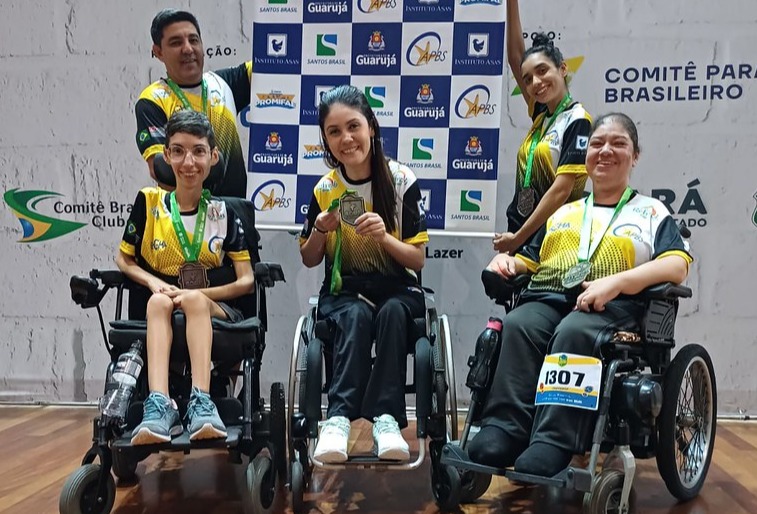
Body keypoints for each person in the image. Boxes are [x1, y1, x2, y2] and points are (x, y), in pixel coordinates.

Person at [468, 113, 692, 477]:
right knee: (519, 323)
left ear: (635, 155)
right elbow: (531, 258)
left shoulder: (652, 212)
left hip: (614, 306)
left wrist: (616, 282)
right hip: (548, 296)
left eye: (618, 143)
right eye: (597, 143)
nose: (605, 150)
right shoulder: (565, 212)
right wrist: (509, 264)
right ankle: (505, 429)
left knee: (575, 331)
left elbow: (676, 266)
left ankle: (553, 440)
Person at [299, 84, 429, 463]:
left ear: (371, 126)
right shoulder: (326, 189)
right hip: (345, 291)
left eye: (353, 126)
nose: (346, 139)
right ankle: (337, 419)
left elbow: (417, 259)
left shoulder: (401, 180)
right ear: (325, 139)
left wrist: (385, 237)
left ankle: (387, 419)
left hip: (396, 289)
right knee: (354, 315)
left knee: (390, 314)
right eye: (334, 131)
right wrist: (321, 230)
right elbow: (309, 258)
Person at [117, 110, 255, 445]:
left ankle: (201, 402)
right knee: (158, 300)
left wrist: (206, 296)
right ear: (166, 155)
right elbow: (124, 259)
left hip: (217, 308)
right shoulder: (149, 203)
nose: (188, 161)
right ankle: (159, 404)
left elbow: (246, 281)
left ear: (213, 156)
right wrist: (153, 282)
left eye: (198, 150)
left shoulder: (224, 213)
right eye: (177, 150)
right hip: (162, 300)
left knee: (193, 298)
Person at [493, 0, 592, 254]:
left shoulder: (578, 119)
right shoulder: (541, 113)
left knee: (495, 278)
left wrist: (517, 239)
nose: (536, 83)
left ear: (562, 69)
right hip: (522, 232)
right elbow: (516, 57)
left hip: (553, 238)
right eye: (528, 79)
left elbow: (561, 191)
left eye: (542, 71)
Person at [135, 8, 251, 197]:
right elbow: (161, 169)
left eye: (194, 40)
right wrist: (214, 162)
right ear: (158, 52)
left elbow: (273, 65)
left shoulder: (224, 84)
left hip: (233, 212)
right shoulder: (153, 99)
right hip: (185, 217)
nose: (188, 49)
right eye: (176, 42)